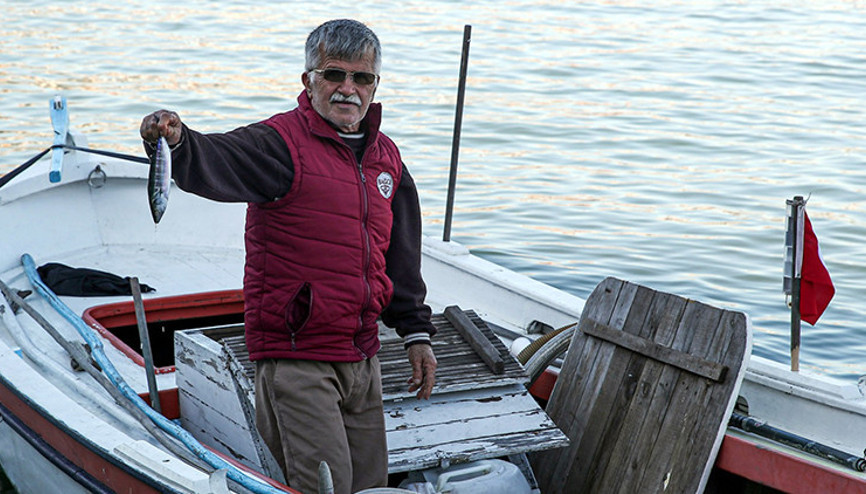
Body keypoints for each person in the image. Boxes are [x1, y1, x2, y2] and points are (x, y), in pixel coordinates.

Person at [139, 19, 437, 494]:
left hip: (363, 354)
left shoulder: (387, 157)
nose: (348, 89)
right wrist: (177, 141)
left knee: (373, 487)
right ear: (309, 80)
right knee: (324, 488)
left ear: (375, 85)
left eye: (362, 79)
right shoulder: (279, 145)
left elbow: (400, 257)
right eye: (334, 75)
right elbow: (216, 159)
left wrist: (416, 332)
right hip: (297, 358)